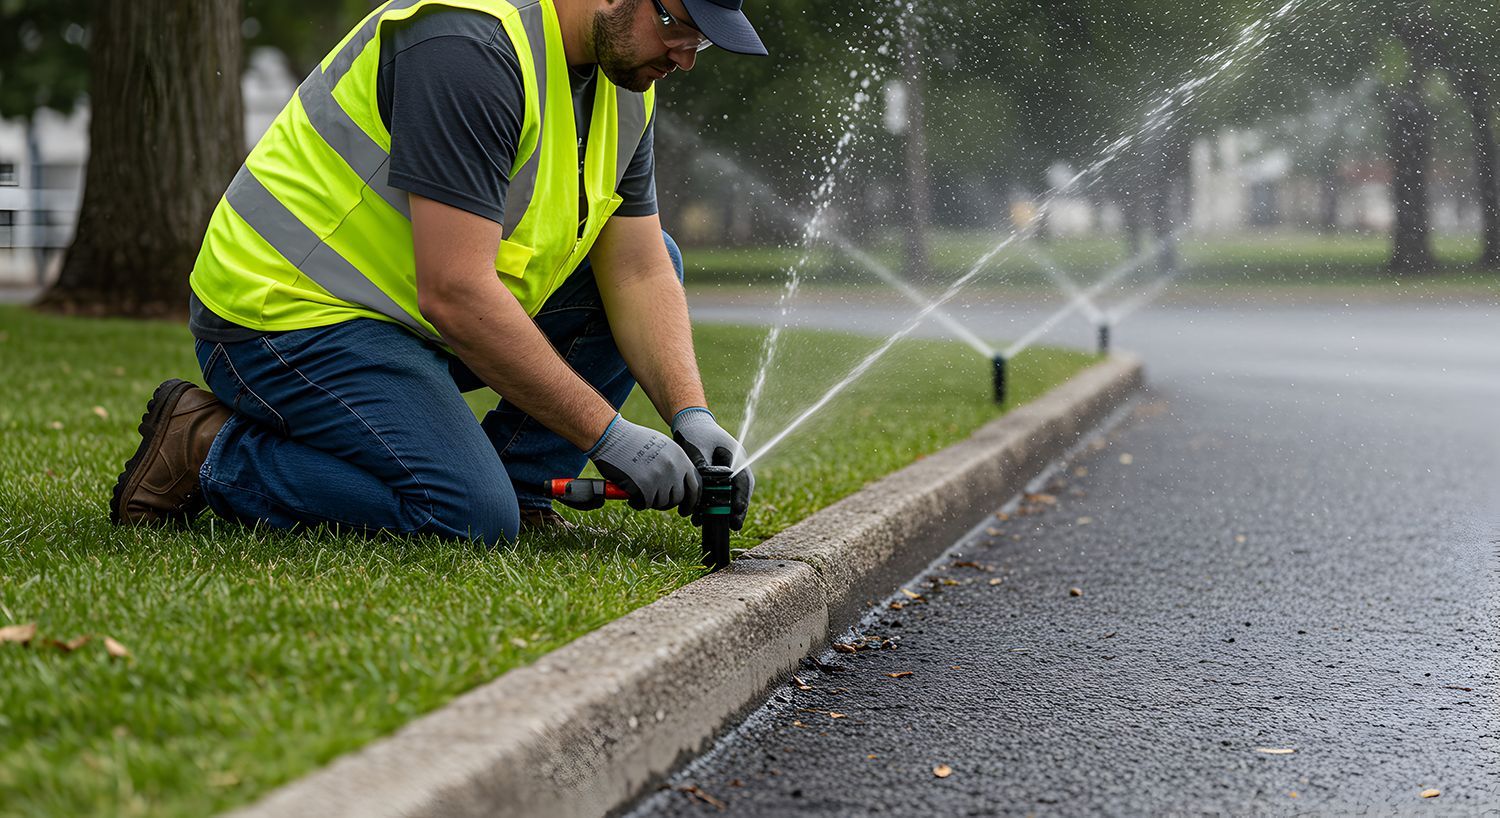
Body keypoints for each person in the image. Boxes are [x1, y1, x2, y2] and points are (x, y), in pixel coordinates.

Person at [109, 0, 764, 546]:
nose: (683, 55)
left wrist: (690, 415)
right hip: (286, 314)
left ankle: (524, 490)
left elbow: (642, 270)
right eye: (678, 24)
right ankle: (207, 449)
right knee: (466, 517)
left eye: (700, 42)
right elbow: (456, 291)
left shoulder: (624, 84)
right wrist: (609, 435)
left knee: (666, 259)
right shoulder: (467, 45)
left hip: (405, 317)